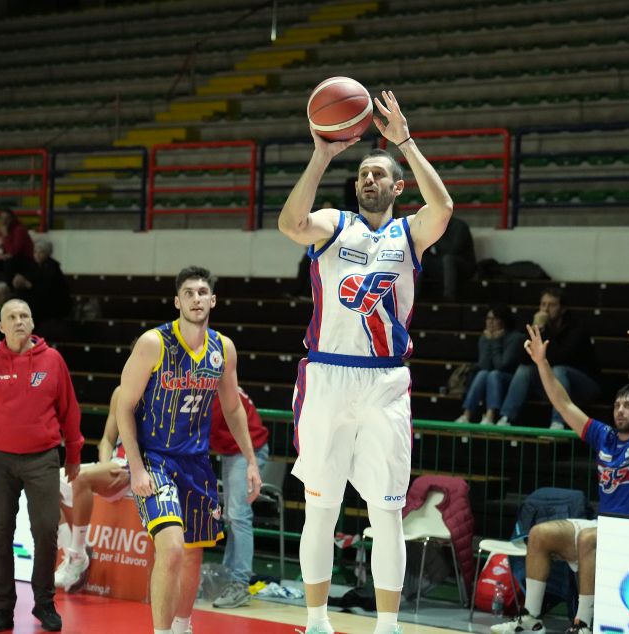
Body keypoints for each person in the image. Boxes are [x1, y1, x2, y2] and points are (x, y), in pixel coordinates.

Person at [278, 90, 454, 634]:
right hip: (326, 375)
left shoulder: (410, 234)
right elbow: (290, 222)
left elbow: (443, 208)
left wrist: (403, 141)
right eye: (363, 176)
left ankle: (387, 626)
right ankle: (315, 620)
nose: (369, 181)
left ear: (397, 187)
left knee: (386, 512)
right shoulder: (334, 223)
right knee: (321, 508)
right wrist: (322, 154)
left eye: (379, 175)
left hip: (384, 383)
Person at [493, 307, 629, 634]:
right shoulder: (604, 437)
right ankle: (530, 621)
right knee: (540, 534)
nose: (620, 410)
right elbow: (564, 405)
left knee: (590, 537)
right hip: (607, 528)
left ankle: (584, 624)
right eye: (617, 404)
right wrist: (542, 364)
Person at [115, 266, 261, 634]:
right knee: (174, 548)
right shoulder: (153, 343)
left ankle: (182, 626)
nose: (196, 298)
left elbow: (232, 407)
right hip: (156, 459)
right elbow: (123, 406)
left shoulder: (223, 348)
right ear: (177, 301)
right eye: (189, 292)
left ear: (212, 300)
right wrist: (135, 467)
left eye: (202, 292)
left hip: (197, 463)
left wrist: (250, 462)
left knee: (194, 552)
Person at [0, 298, 83, 632]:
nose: (19, 321)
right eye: (11, 317)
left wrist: (73, 456)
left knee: (45, 530)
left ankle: (44, 604)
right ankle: (3, 608)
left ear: (32, 321)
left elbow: (69, 411)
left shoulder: (53, 360)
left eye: (24, 315)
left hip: (42, 458)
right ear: (1, 326)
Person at [54, 385, 130, 592]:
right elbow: (107, 439)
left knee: (82, 478)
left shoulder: (164, 392)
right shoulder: (121, 391)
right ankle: (74, 555)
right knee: (45, 483)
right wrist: (105, 465)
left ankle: (77, 556)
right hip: (117, 464)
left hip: (139, 470)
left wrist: (134, 470)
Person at [496, 288, 600, 430]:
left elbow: (561, 358)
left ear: (562, 309)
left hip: (583, 385)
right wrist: (534, 332)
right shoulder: (539, 326)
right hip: (554, 386)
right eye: (543, 304)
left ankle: (558, 422)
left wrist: (543, 331)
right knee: (524, 369)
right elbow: (523, 359)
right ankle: (506, 417)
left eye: (552, 305)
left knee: (557, 370)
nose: (546, 309)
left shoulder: (576, 328)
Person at [210, 386, 270, 609]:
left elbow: (197, 433)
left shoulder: (215, 389)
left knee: (238, 515)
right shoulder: (213, 381)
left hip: (247, 452)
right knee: (232, 516)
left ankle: (240, 584)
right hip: (232, 451)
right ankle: (230, 578)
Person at [455, 305, 525, 424]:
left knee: (494, 374)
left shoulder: (515, 338)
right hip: (489, 378)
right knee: (483, 373)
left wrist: (495, 341)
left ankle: (490, 415)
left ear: (504, 320)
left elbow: (501, 365)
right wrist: (489, 341)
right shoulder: (485, 337)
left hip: (510, 381)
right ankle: (466, 415)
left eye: (494, 319)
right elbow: (484, 365)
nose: (490, 322)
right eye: (488, 318)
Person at [12, 237, 72, 330]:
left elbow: (48, 290)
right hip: (37, 299)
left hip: (52, 303)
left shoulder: (53, 268)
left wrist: (28, 285)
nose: (37, 255)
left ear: (48, 253)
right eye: (35, 252)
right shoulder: (33, 266)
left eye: (41, 252)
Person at [416, 213, 475, 301]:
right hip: (442, 263)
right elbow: (424, 251)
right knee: (421, 260)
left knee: (448, 259)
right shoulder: (435, 228)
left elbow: (453, 250)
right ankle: (413, 297)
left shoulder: (460, 226)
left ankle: (448, 299)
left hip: (463, 265)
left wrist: (437, 234)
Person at [0, 209, 34, 289]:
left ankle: (8, 290)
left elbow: (14, 252)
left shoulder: (19, 230)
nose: (4, 221)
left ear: (12, 219)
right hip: (7, 258)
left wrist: (6, 236)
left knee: (9, 263)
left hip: (23, 260)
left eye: (7, 218)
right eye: (2, 218)